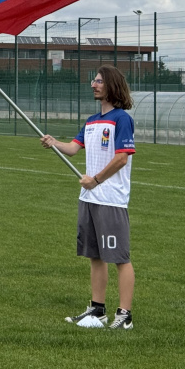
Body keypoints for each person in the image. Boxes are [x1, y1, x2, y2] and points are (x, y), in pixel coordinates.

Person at [41, 65, 136, 331]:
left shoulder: (121, 119)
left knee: (119, 257)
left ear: (112, 86)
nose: (93, 85)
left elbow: (121, 158)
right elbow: (73, 148)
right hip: (89, 198)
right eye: (93, 81)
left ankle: (125, 315)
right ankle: (97, 309)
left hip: (110, 200)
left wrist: (95, 180)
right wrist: (54, 143)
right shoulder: (92, 120)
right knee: (95, 255)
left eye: (98, 81)